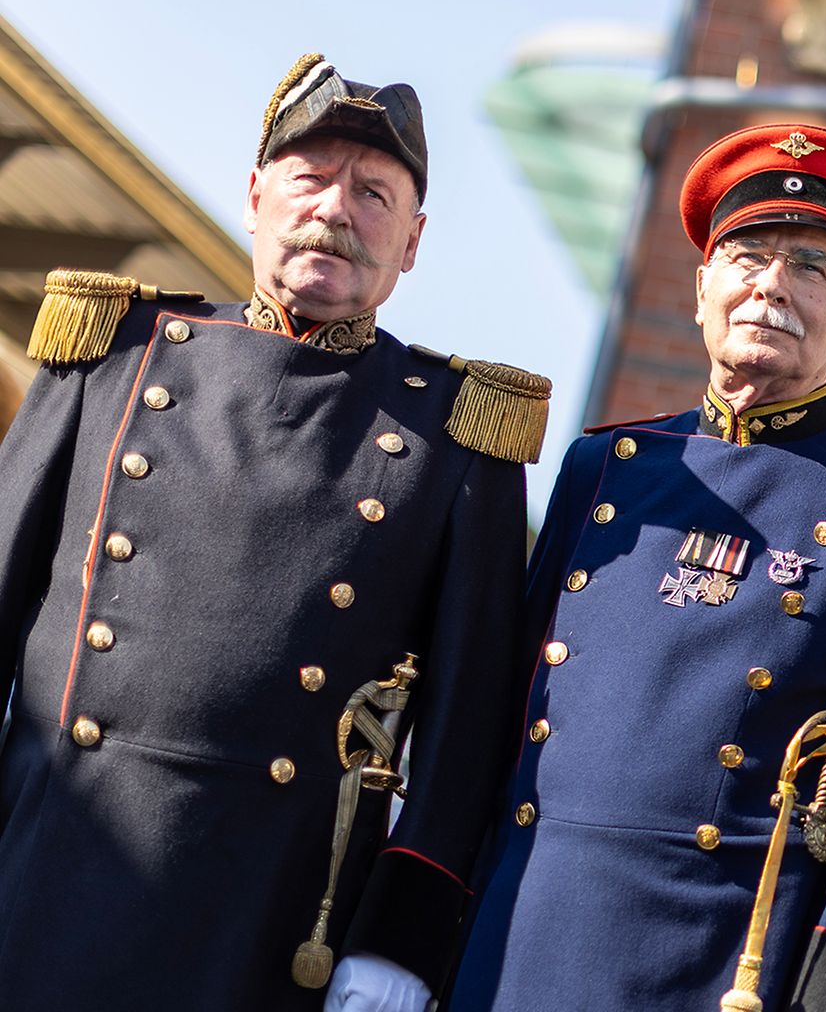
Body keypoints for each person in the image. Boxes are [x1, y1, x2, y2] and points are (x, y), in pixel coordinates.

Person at [0, 54, 548, 1011]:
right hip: (46, 856)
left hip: (272, 913)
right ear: (256, 197)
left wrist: (399, 944)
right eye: (311, 177)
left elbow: (467, 733)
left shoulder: (458, 432)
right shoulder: (114, 351)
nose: (336, 208)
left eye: (374, 193)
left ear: (412, 242)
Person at [451, 123, 826, 1010]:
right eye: (749, 257)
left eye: (813, 267)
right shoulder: (608, 467)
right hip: (520, 932)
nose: (771, 284)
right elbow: (498, 720)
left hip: (719, 964)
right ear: (702, 292)